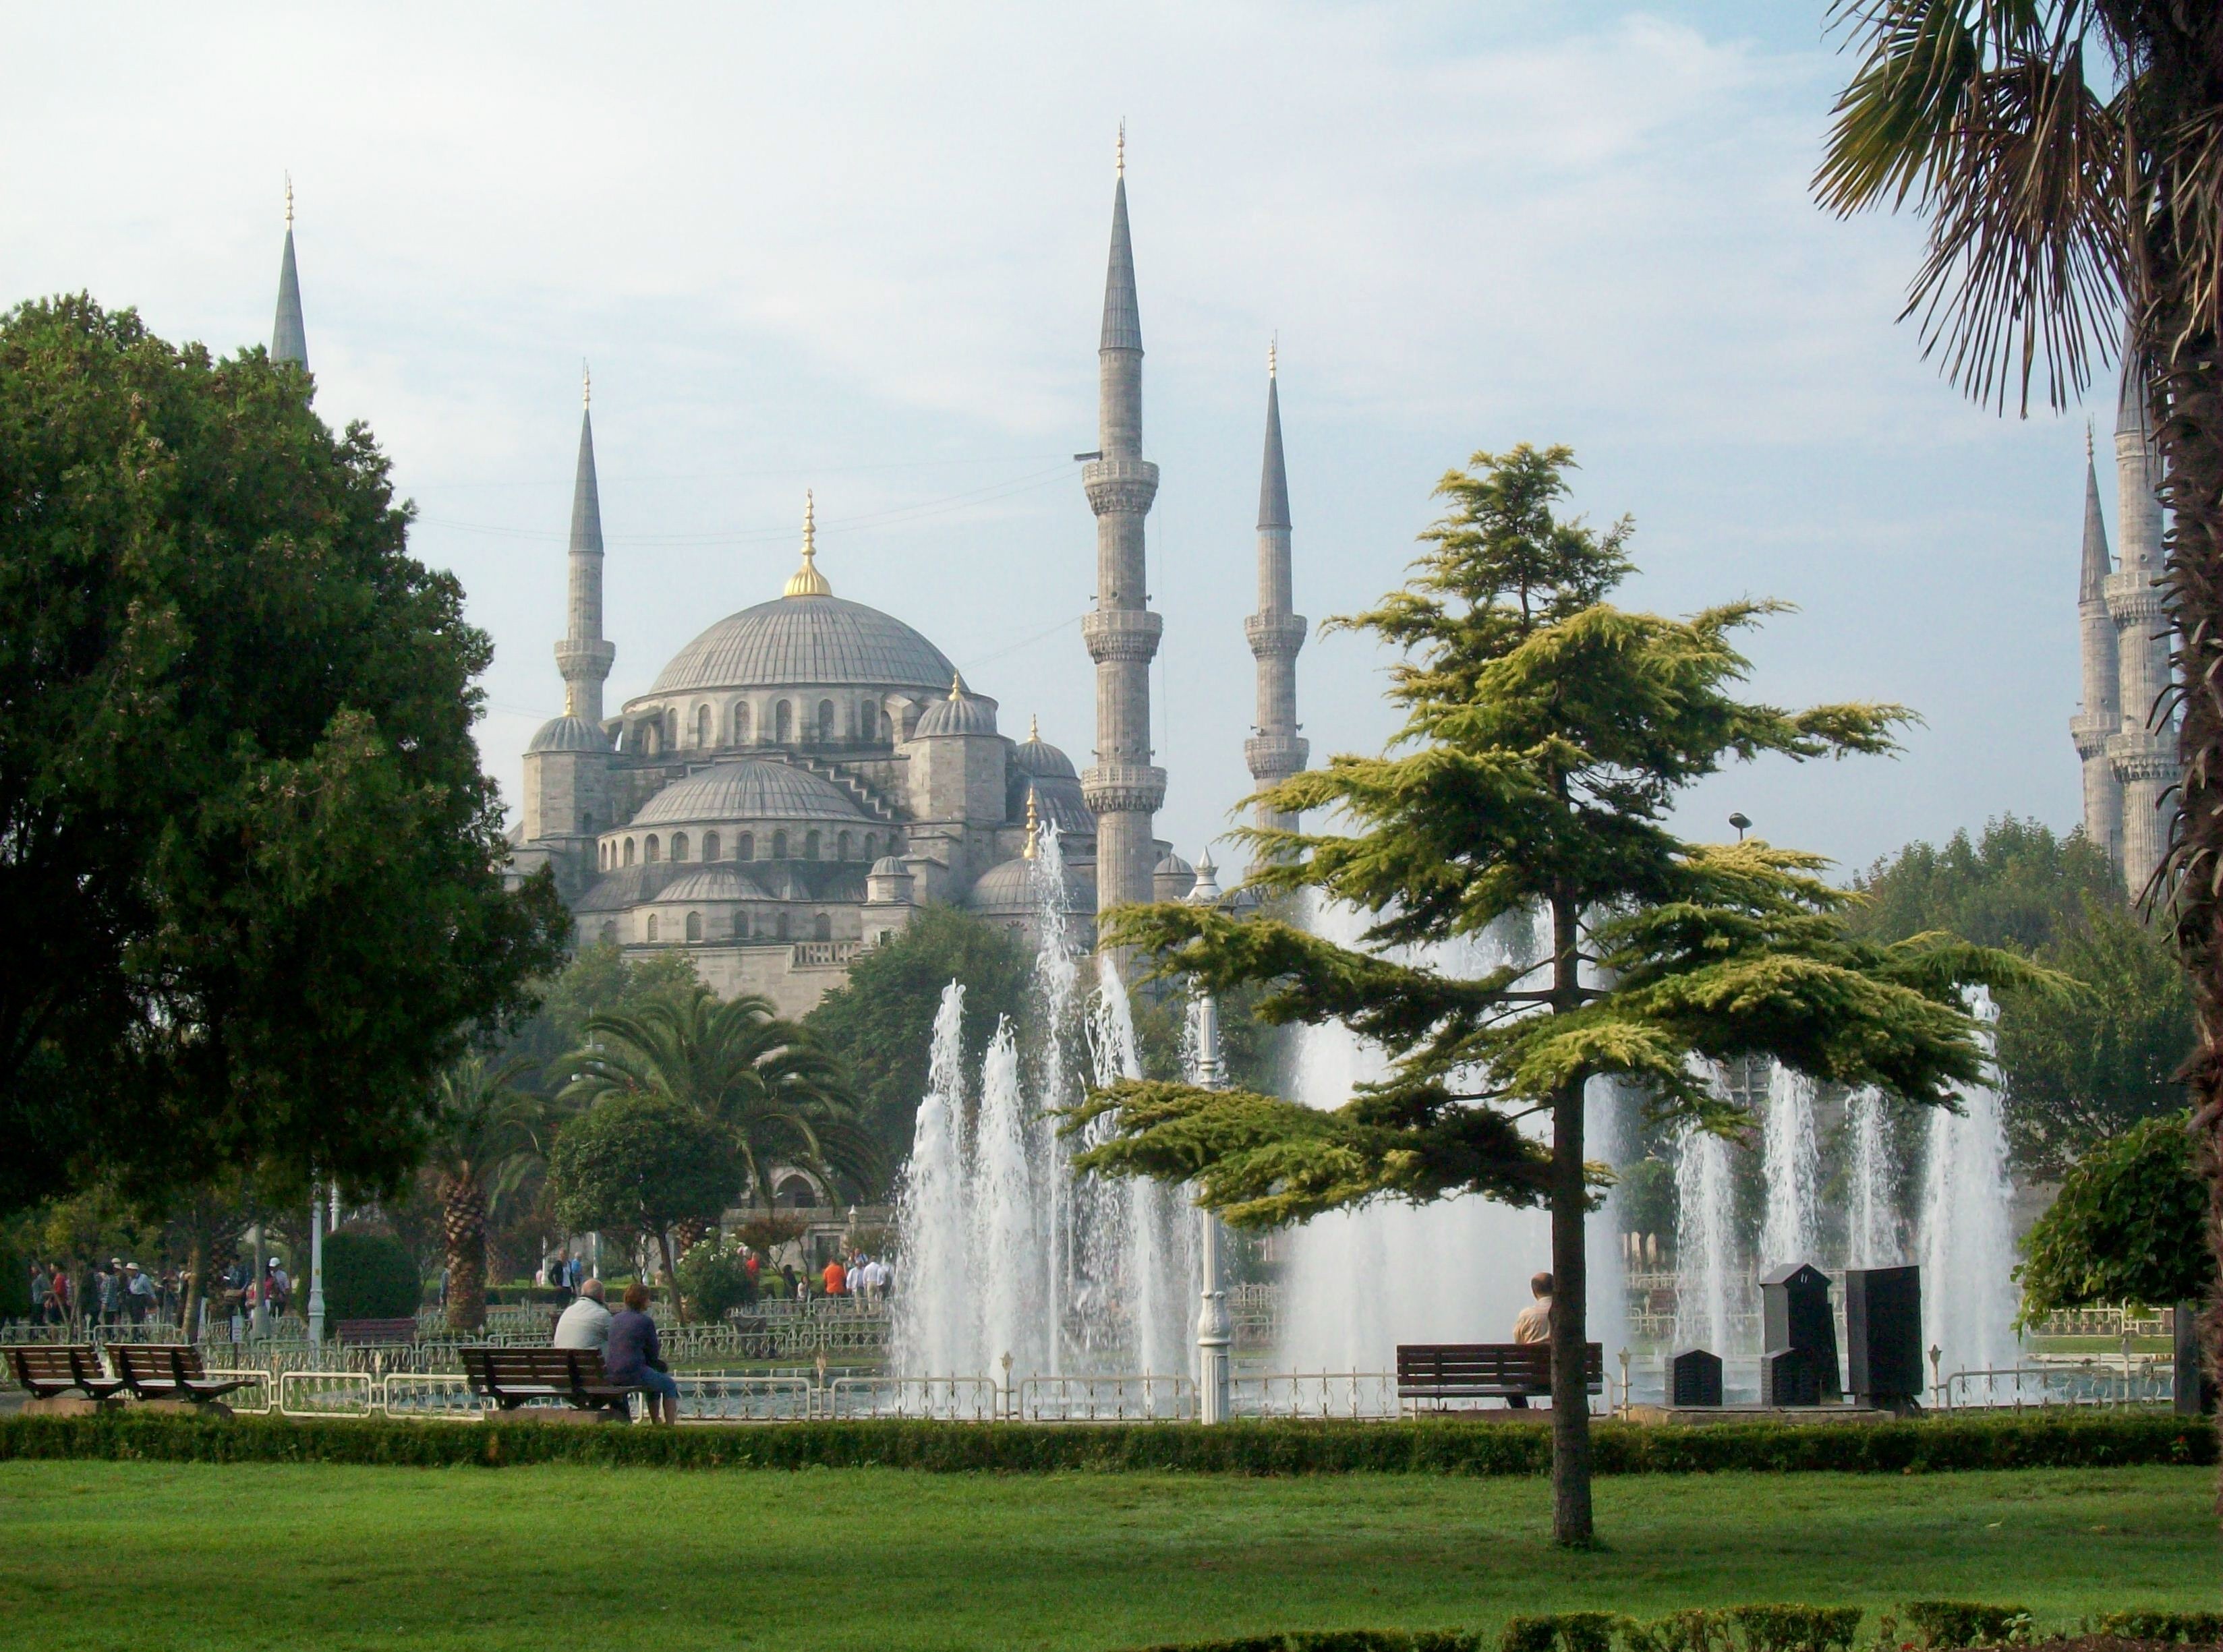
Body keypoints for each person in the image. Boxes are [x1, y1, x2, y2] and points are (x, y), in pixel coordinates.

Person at [605, 1281, 679, 1425]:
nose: (649, 1302)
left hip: (612, 1373)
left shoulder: (615, 1319)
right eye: (648, 1299)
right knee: (669, 1385)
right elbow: (653, 1353)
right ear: (642, 1300)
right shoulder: (645, 1321)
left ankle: (656, 1420)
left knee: (655, 1378)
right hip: (633, 1373)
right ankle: (668, 1426)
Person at [1507, 1270, 1553, 1410]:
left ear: (1534, 1293)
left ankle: (1525, 1415)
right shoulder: (1568, 1312)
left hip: (1533, 1379)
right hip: (1566, 1377)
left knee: (1508, 1382)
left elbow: (1519, 1345)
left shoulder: (1526, 1315)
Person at [552, 1278, 612, 1351]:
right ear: (602, 1296)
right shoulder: (602, 1314)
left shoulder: (568, 1311)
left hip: (562, 1360)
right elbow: (619, 1338)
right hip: (590, 1361)